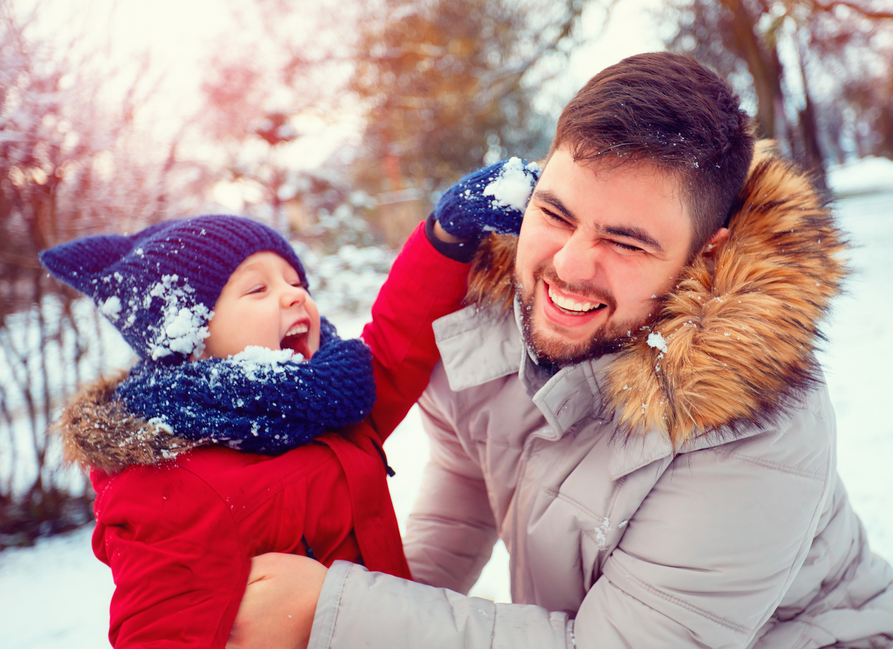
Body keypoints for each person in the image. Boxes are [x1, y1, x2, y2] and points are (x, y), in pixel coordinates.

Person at [229, 52, 893, 649]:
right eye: (555, 213)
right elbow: (462, 502)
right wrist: (322, 610)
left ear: (705, 252)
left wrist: (336, 610)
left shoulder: (757, 424)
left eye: (625, 241)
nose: (568, 265)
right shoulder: (490, 323)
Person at [40, 159, 538, 649]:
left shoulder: (323, 401)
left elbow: (391, 345)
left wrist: (443, 239)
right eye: (258, 288)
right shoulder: (169, 483)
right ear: (189, 339)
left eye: (296, 282)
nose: (293, 297)